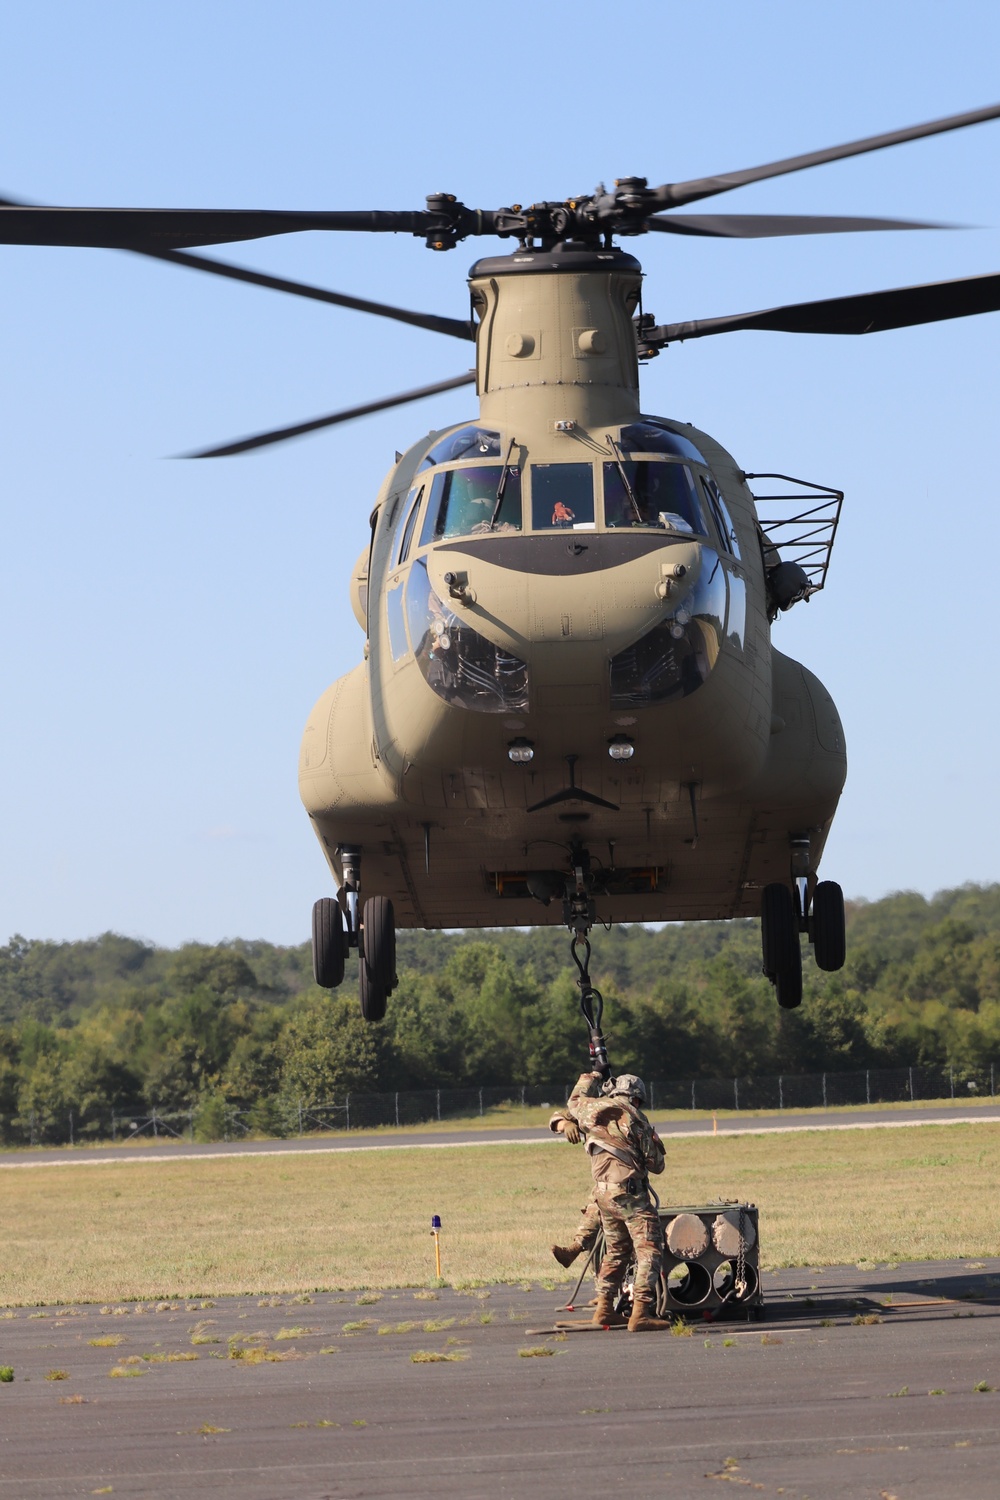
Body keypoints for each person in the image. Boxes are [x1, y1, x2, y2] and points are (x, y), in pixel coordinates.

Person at [562, 1070, 669, 1332]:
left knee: (617, 1250)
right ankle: (640, 1313)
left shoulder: (589, 1110)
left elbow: (574, 1099)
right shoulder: (634, 1118)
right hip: (628, 1197)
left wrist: (591, 1076)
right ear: (637, 1098)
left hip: (603, 1197)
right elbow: (657, 1165)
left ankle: (604, 1310)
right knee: (649, 1249)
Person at [547, 1106, 601, 1269]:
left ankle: (575, 1249)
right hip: (605, 1182)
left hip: (628, 1183)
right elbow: (556, 1118)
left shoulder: (631, 1116)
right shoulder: (594, 1108)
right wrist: (566, 1124)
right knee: (598, 1203)